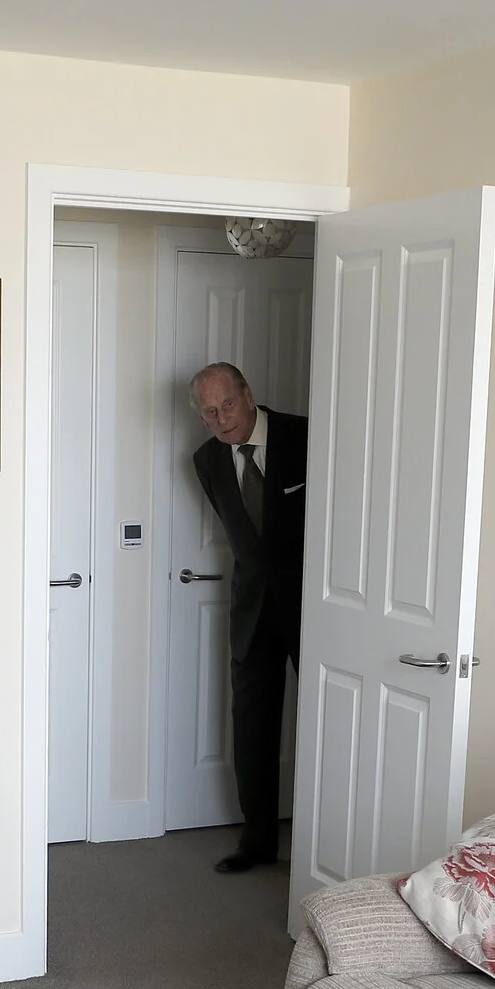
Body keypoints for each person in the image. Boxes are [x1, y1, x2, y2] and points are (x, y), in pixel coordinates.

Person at [188, 362, 307, 873]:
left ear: (249, 394)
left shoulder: (305, 435)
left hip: (314, 607)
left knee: (332, 720)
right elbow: (245, 542)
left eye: (228, 405)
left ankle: (333, 839)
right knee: (252, 727)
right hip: (251, 611)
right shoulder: (205, 460)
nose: (221, 419)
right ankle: (257, 842)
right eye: (209, 412)